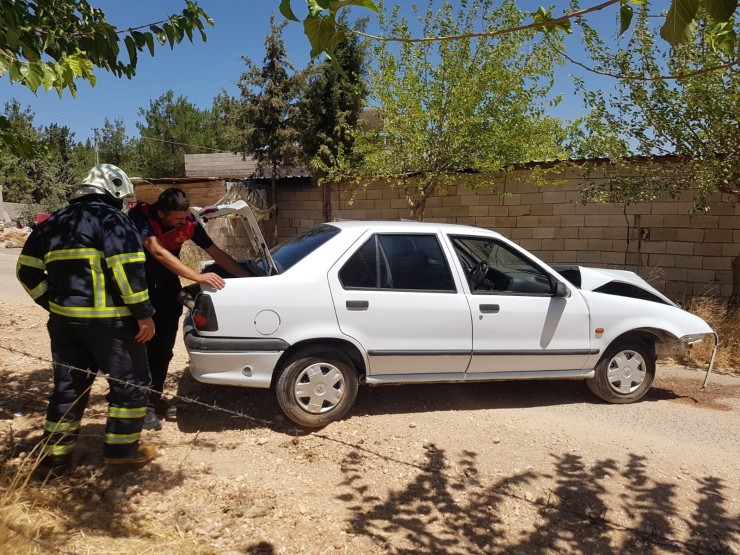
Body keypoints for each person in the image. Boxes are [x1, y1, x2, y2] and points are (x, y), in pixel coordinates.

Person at [16, 164, 157, 469]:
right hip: (112, 324)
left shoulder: (53, 222)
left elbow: (25, 270)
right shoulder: (112, 220)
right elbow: (127, 270)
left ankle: (56, 456)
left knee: (68, 388)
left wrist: (52, 304)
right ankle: (121, 452)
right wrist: (144, 315)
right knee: (131, 383)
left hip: (66, 324)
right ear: (114, 192)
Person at [128, 187, 249, 430]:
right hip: (139, 290)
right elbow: (157, 251)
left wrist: (248, 280)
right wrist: (197, 276)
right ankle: (138, 407)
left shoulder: (189, 221)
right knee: (140, 350)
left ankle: (153, 398)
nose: (185, 222)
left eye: (185, 217)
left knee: (163, 349)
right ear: (161, 214)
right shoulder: (141, 217)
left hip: (165, 288)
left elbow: (215, 253)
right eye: (178, 219)